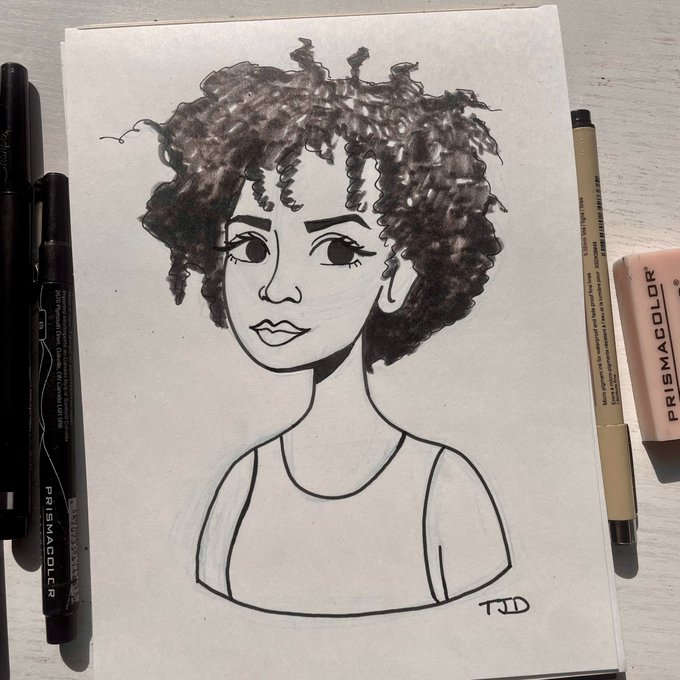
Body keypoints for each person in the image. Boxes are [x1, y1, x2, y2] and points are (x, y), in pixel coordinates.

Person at [142, 39, 511, 617]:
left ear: (399, 275)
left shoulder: (443, 490)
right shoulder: (242, 489)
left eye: (338, 249)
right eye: (251, 246)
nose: (277, 287)